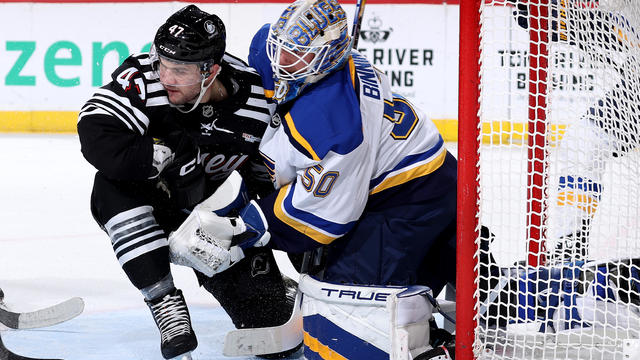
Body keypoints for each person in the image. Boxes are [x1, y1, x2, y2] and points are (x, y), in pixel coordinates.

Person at [168, 0, 457, 326]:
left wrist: (242, 227)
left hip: (407, 198)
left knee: (350, 314)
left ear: (328, 56)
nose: (283, 61)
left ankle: (437, 333)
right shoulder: (269, 48)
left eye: (298, 55)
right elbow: (266, 80)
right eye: (282, 46)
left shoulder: (336, 124)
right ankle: (470, 277)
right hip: (433, 170)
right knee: (436, 266)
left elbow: (320, 216)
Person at [77, 5, 298, 359]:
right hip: (157, 203)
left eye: (179, 70)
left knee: (271, 332)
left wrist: (289, 240)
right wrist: (157, 155)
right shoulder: (144, 77)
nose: (166, 77)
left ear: (210, 70)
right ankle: (163, 300)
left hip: (218, 221)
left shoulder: (259, 102)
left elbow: (275, 179)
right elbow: (94, 130)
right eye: (163, 63)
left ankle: (275, 289)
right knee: (111, 184)